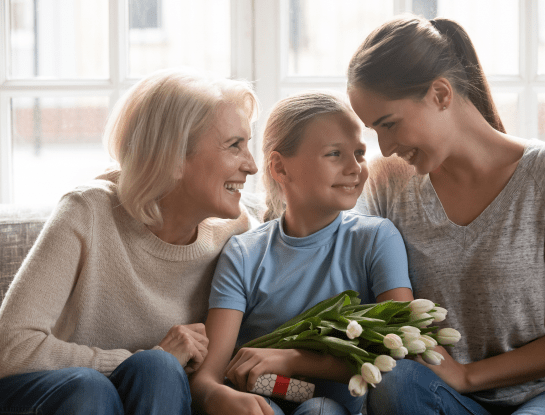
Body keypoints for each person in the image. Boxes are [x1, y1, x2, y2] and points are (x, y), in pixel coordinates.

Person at [346, 14, 545, 415]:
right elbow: (341, 260)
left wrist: (469, 375)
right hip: (451, 398)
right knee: (397, 381)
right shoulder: (389, 182)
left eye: (389, 124)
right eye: (374, 131)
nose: (384, 147)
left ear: (440, 94)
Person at [0, 68, 261, 415]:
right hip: (58, 394)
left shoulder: (241, 233)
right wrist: (138, 359)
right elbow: (11, 348)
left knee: (158, 371)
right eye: (234, 146)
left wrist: (156, 363)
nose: (253, 165)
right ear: (175, 157)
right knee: (96, 386)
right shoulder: (87, 212)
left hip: (154, 392)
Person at [189, 91, 414, 415]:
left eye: (360, 153)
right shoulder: (243, 253)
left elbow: (399, 351)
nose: (355, 168)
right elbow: (206, 377)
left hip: (335, 409)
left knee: (320, 411)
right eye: (335, 154)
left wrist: (294, 359)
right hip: (262, 403)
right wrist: (217, 396)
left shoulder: (377, 239)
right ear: (280, 168)